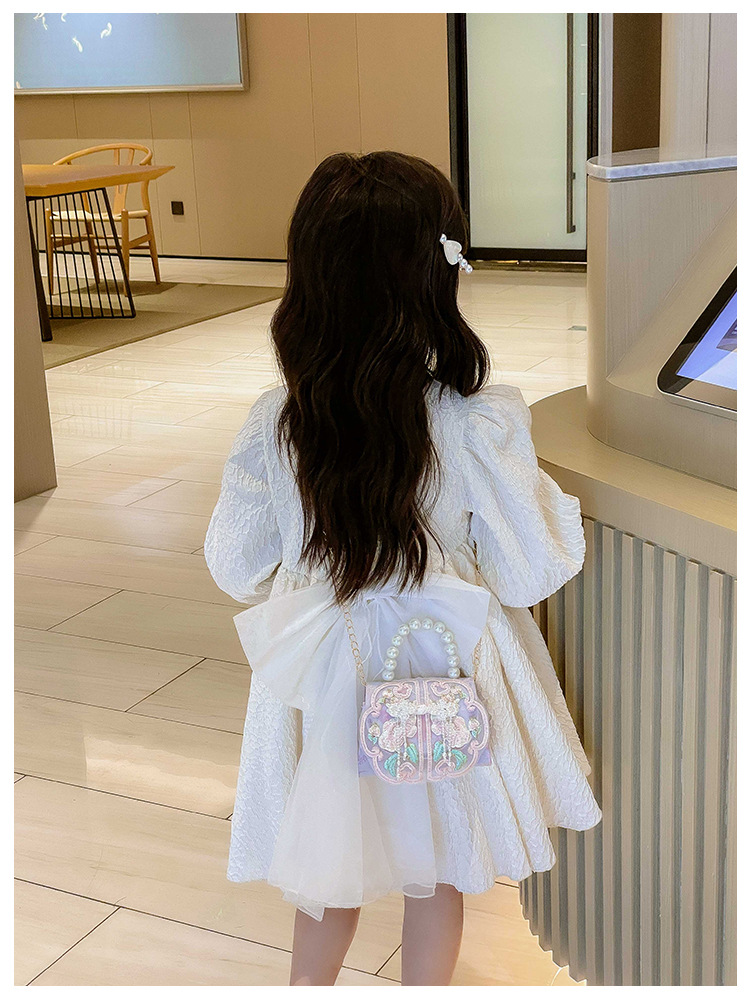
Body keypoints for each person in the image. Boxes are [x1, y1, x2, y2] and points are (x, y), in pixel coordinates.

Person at [204, 150, 602, 987]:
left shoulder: (277, 422)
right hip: (445, 664)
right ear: (435, 274)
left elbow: (234, 562)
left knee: (329, 857)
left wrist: (307, 570)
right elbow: (531, 568)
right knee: (444, 862)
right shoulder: (473, 419)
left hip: (324, 672)